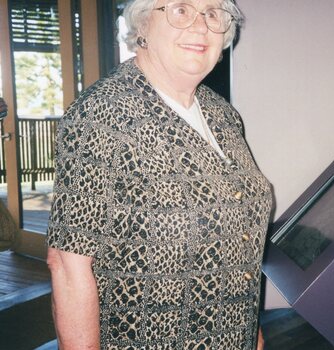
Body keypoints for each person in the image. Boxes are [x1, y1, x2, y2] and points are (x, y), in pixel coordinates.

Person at [46, 0, 272, 349]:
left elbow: (240, 243)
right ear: (143, 26)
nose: (200, 26)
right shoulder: (104, 114)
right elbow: (67, 263)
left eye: (213, 13)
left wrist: (253, 338)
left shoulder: (222, 113)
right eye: (181, 9)